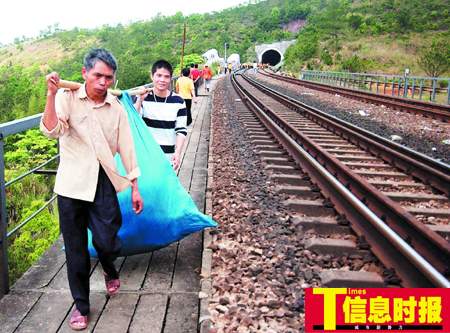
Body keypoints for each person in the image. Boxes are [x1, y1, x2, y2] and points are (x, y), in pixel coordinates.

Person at [40, 48, 144, 331]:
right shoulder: (66, 97)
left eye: (108, 77)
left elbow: (128, 148)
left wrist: (135, 187)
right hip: (71, 184)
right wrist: (50, 95)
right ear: (85, 73)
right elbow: (51, 130)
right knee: (75, 249)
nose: (103, 82)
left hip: (103, 182)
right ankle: (81, 305)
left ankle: (109, 266)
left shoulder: (116, 108)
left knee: (107, 241)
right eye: (97, 75)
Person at [134, 59, 187, 170]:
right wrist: (139, 100)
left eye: (166, 77)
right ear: (152, 76)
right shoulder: (144, 98)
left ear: (170, 78)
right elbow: (134, 121)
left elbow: (181, 130)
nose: (162, 80)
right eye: (159, 75)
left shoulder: (179, 101)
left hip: (169, 157)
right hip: (146, 156)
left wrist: (178, 153)